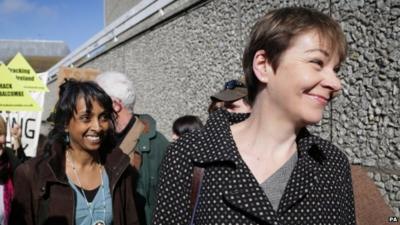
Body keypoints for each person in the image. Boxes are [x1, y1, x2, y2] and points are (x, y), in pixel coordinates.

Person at [153, 6, 355, 224]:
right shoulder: (188, 155)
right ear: (263, 65)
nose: (336, 83)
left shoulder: (332, 164)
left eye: (336, 69)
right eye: (317, 63)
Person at [10, 79, 139, 225]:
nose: (97, 127)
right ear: (65, 123)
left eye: (103, 117)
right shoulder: (33, 175)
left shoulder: (119, 169)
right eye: (86, 118)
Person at [95, 71, 169, 225]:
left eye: (96, 101)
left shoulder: (160, 146)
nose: (91, 108)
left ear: (115, 105)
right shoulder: (96, 142)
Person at [0, 116, 21, 225]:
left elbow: (24, 171)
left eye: (2, 133)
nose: (1, 139)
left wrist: (17, 139)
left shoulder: (8, 157)